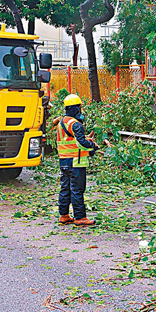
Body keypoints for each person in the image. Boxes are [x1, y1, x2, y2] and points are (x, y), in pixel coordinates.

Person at [57, 94, 99, 226]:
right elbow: (82, 143)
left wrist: (86, 139)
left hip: (63, 160)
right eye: (80, 108)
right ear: (76, 108)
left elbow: (70, 140)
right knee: (77, 189)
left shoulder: (61, 122)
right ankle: (80, 217)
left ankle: (63, 215)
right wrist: (93, 146)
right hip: (76, 161)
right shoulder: (76, 124)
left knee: (65, 188)